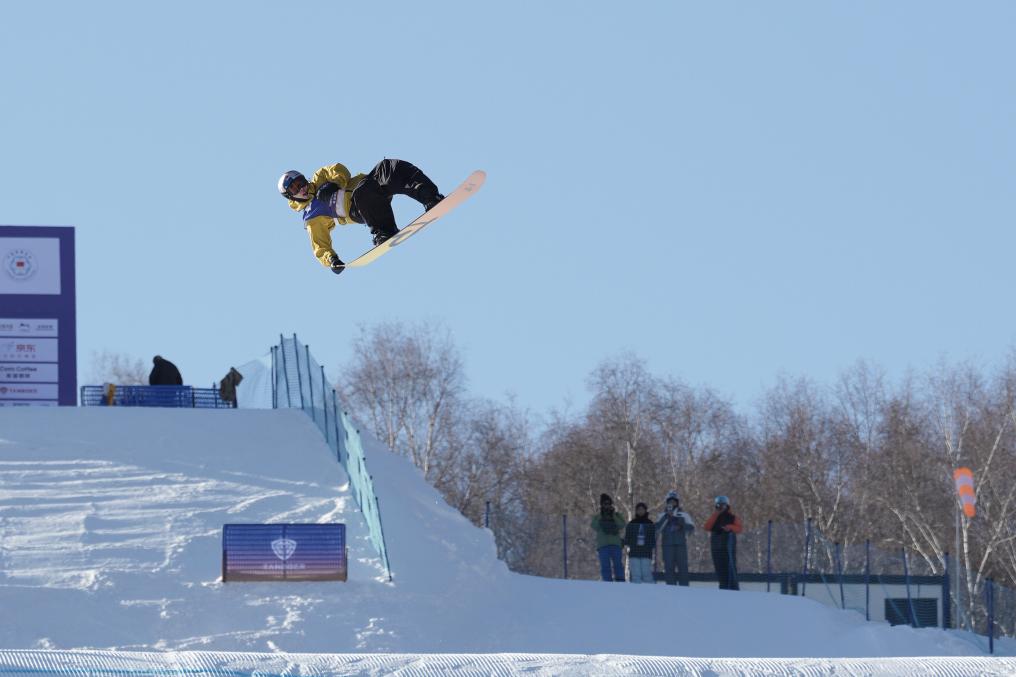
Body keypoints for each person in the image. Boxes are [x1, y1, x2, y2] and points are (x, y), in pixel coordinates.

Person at [278, 159, 445, 275]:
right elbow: (319, 245)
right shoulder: (312, 215)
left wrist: (334, 184)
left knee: (389, 167)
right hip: (358, 207)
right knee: (363, 193)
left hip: (370, 183)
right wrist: (332, 260)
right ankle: (384, 231)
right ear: (290, 196)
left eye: (300, 183)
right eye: (294, 189)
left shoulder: (319, 177)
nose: (301, 189)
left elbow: (340, 169)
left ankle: (429, 196)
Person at [655, 491, 695, 586]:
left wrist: (681, 526)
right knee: (668, 567)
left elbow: (691, 528)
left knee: (683, 567)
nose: (672, 503)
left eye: (674, 501)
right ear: (667, 502)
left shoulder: (684, 515)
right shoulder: (662, 515)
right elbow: (657, 528)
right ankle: (670, 588)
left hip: (680, 545)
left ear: (677, 502)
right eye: (670, 501)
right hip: (667, 545)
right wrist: (666, 517)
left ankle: (684, 588)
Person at [704, 495, 742, 590]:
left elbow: (739, 528)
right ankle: (723, 586)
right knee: (719, 567)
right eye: (719, 505)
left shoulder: (732, 517)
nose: (721, 508)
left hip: (728, 544)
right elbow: (707, 527)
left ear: (727, 506)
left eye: (723, 505)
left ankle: (733, 587)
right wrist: (716, 514)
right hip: (717, 545)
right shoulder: (714, 517)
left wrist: (729, 527)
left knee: (730, 566)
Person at [590, 493, 625, 582]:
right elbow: (594, 526)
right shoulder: (598, 516)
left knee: (618, 565)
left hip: (616, 544)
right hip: (603, 545)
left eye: (609, 503)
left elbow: (622, 525)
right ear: (601, 505)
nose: (607, 505)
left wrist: (613, 515)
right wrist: (602, 515)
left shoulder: (616, 515)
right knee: (605, 566)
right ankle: (607, 583)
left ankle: (621, 582)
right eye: (605, 503)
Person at [622, 502, 656, 584]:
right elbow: (627, 538)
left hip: (646, 553)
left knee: (646, 574)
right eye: (638, 509)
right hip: (634, 552)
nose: (640, 511)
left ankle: (650, 590)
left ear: (645, 510)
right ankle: (636, 591)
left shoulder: (650, 523)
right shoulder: (631, 524)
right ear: (636, 511)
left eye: (642, 509)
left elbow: (653, 539)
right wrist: (624, 542)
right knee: (636, 575)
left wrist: (649, 546)